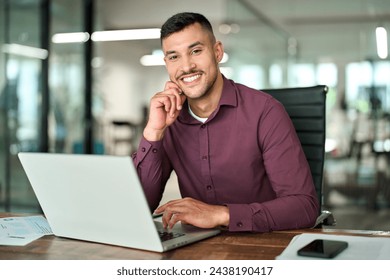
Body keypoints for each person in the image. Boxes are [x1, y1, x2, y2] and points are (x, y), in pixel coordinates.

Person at [132, 12, 319, 232]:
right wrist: (154, 132)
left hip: (263, 246)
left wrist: (221, 215)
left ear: (217, 52)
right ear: (166, 63)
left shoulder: (266, 112)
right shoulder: (170, 119)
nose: (186, 67)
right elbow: (139, 207)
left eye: (196, 51)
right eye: (174, 57)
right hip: (197, 250)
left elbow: (304, 207)